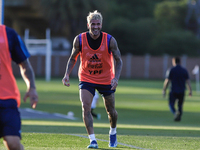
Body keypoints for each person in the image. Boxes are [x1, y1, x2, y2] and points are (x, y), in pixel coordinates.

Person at [62, 10, 123, 148]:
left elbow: (119, 61)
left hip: (106, 79)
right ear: (88, 24)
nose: (95, 27)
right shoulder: (79, 39)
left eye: (98, 24)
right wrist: (66, 74)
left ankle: (113, 132)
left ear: (101, 25)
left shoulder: (110, 40)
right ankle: (92, 140)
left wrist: (116, 78)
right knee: (86, 107)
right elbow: (73, 58)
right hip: (86, 77)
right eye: (92, 24)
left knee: (111, 111)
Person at [0, 25, 38, 150]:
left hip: (7, 98)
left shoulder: (8, 34)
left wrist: (31, 87)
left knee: (13, 144)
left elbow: (25, 65)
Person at [163, 56, 192, 122]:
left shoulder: (171, 70)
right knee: (180, 105)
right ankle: (179, 115)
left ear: (173, 61)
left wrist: (164, 90)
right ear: (180, 62)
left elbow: (167, 81)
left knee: (171, 104)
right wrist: (190, 91)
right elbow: (188, 82)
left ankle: (175, 113)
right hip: (182, 90)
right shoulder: (184, 70)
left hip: (173, 90)